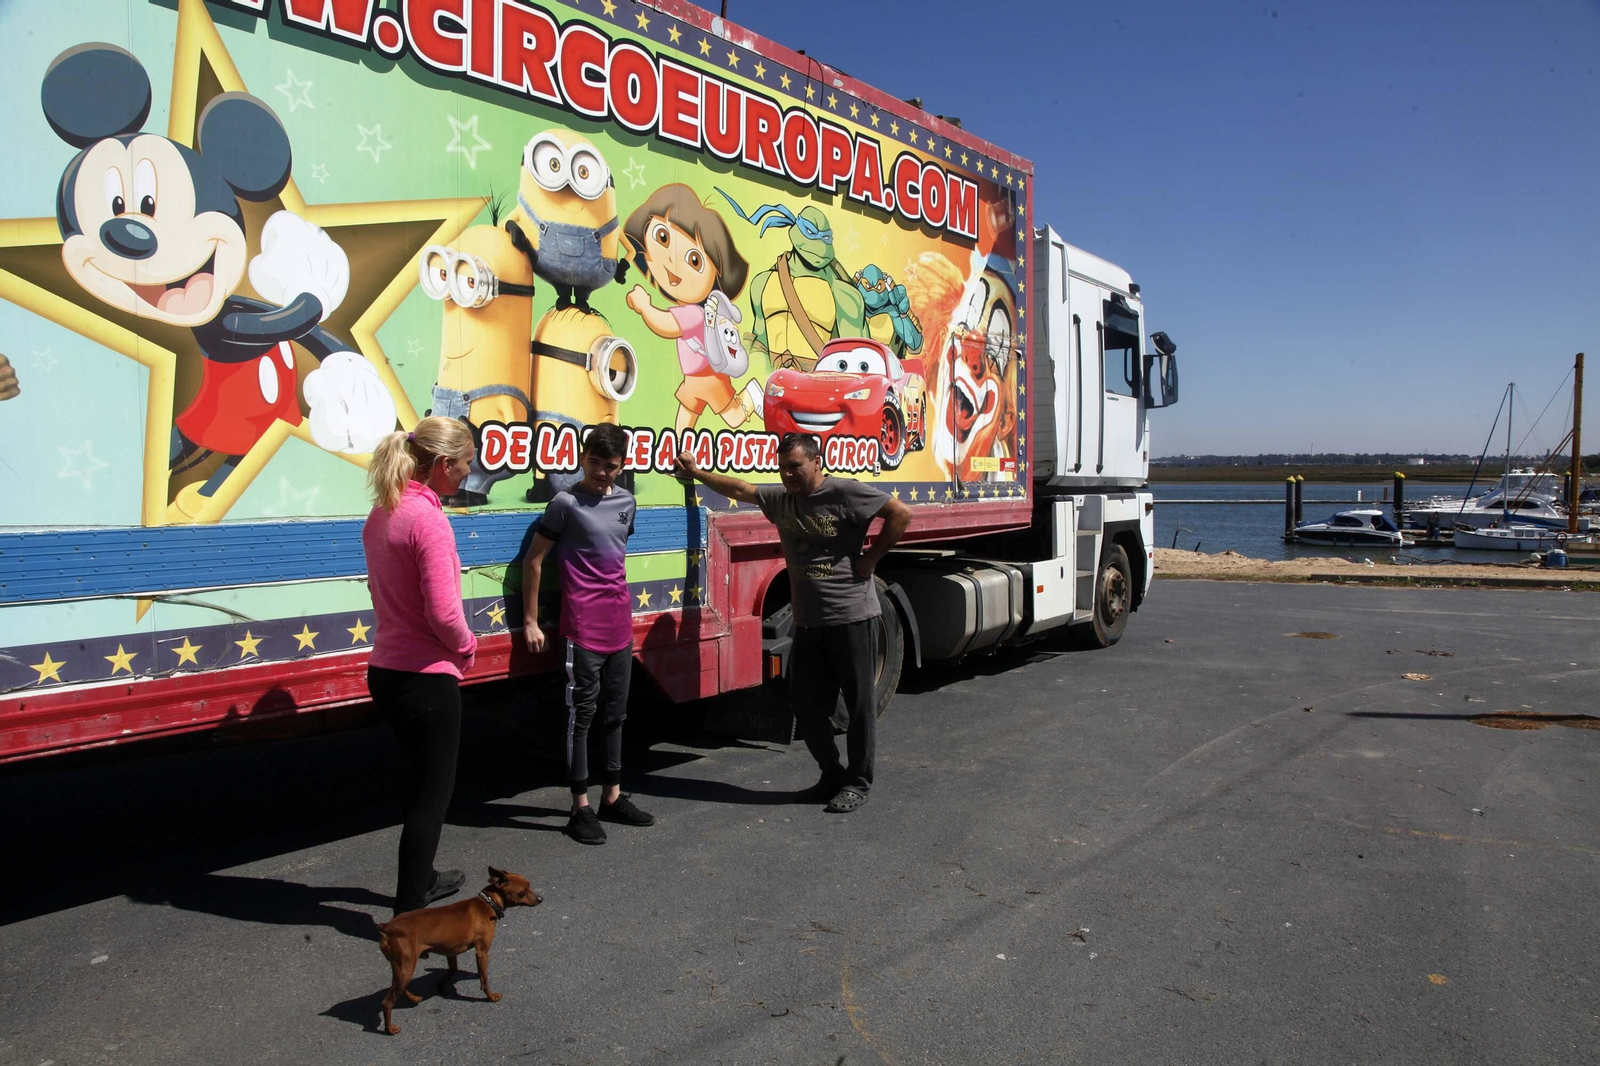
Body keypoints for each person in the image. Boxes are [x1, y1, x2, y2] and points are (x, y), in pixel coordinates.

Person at [674, 434, 912, 813]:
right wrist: (697, 473)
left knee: (859, 706)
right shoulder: (782, 500)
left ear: (817, 462)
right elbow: (740, 488)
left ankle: (857, 782)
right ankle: (831, 774)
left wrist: (871, 559)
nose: (787, 475)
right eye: (782, 468)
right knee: (805, 705)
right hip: (807, 623)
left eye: (795, 467)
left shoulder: (845, 492)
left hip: (851, 617)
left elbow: (900, 513)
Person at [362, 416, 479, 914]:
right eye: (467, 462)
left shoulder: (383, 512)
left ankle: (424, 878)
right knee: (432, 797)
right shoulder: (428, 520)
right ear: (444, 464)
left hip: (387, 670)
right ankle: (410, 912)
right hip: (425, 678)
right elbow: (445, 613)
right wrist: (467, 645)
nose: (470, 472)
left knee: (419, 785)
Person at [522, 423, 655, 844]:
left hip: (620, 624)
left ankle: (611, 797)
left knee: (617, 714)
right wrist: (530, 621)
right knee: (582, 717)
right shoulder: (565, 504)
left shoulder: (627, 502)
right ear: (583, 459)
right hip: (581, 627)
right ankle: (579, 808)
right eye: (594, 462)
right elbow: (534, 560)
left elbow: (613, 555)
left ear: (622, 465)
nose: (601, 472)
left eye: (610, 466)